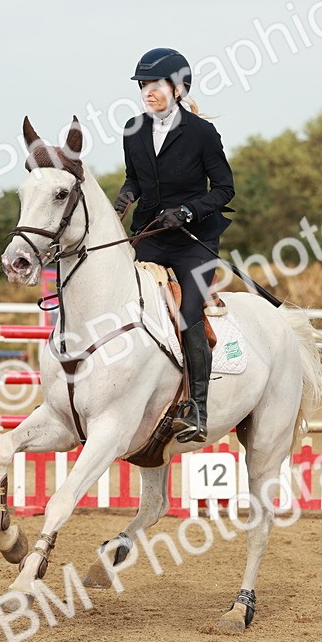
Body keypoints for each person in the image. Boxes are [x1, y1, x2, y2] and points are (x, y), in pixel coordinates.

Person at [114, 48, 236, 443]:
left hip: (193, 240)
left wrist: (186, 211)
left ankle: (197, 408)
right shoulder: (133, 129)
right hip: (150, 235)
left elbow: (224, 190)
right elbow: (136, 177)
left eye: (154, 85)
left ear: (179, 88)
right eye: (143, 85)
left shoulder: (202, 134)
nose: (146, 92)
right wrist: (124, 196)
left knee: (186, 311)